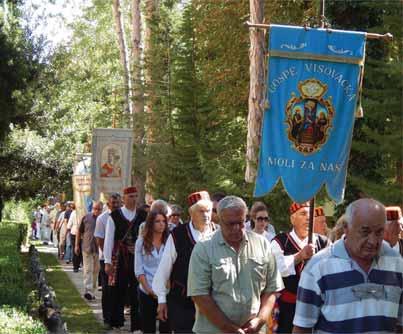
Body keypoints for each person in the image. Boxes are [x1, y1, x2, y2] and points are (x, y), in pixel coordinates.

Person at [293, 198, 403, 334]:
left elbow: (400, 325)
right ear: (346, 228)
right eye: (365, 231)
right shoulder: (318, 268)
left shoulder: (397, 264)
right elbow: (302, 328)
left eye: (379, 232)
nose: (373, 241)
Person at [188, 195, 284, 334]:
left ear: (246, 218)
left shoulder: (262, 244)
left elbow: (272, 288)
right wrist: (230, 328)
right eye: (230, 224)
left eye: (240, 222)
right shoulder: (204, 248)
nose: (236, 228)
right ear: (219, 220)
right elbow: (199, 295)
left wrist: (260, 320)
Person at [153, 190, 217, 333]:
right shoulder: (178, 235)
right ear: (191, 213)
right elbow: (164, 268)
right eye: (201, 211)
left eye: (209, 211)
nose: (206, 215)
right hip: (182, 301)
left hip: (212, 301)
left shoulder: (218, 234)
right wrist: (162, 300)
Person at [271, 202, 330, 334]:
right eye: (303, 214)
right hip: (288, 308)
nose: (308, 218)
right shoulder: (280, 241)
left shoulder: (324, 242)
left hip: (317, 306)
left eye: (310, 215)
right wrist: (300, 256)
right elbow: (277, 269)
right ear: (292, 219)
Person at [104, 186, 147, 330]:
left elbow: (147, 237)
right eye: (131, 196)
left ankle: (137, 324)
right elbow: (108, 239)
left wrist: (138, 248)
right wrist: (108, 261)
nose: (134, 199)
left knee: (137, 290)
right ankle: (116, 321)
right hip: (119, 257)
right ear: (124, 198)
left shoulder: (142, 215)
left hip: (138, 257)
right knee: (118, 289)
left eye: (136, 196)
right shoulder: (115, 216)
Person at [135, 211, 171, 334]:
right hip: (147, 290)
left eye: (163, 221)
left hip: (166, 290)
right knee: (148, 327)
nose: (161, 224)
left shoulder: (170, 242)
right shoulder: (141, 242)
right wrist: (149, 289)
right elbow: (139, 270)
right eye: (157, 221)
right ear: (150, 223)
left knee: (166, 327)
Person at [94, 193, 121, 328]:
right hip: (106, 258)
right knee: (107, 290)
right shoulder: (102, 218)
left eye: (117, 203)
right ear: (108, 204)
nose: (115, 205)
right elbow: (99, 239)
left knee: (117, 289)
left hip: (120, 259)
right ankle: (107, 318)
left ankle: (116, 318)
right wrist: (108, 255)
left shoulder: (122, 216)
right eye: (113, 203)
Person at [75, 201, 103, 300]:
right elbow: (79, 231)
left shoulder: (104, 219)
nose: (96, 211)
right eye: (95, 208)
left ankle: (93, 291)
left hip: (99, 249)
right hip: (87, 247)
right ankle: (88, 290)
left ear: (102, 209)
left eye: (99, 209)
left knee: (96, 270)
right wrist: (76, 245)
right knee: (88, 269)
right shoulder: (86, 217)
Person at [67, 203, 82, 272]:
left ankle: (76, 266)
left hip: (75, 232)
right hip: (79, 233)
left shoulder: (73, 213)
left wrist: (68, 229)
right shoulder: (83, 213)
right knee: (80, 249)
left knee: (75, 249)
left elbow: (69, 224)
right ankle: (78, 264)